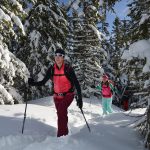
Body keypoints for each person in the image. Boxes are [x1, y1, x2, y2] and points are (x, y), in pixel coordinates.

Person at [28, 49, 83, 137]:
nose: (57, 57)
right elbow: (43, 82)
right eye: (56, 55)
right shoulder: (51, 69)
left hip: (68, 95)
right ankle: (65, 133)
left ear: (63, 57)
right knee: (61, 114)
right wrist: (32, 83)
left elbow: (76, 83)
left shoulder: (68, 69)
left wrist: (80, 99)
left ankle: (61, 136)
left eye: (60, 55)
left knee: (61, 111)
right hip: (56, 97)